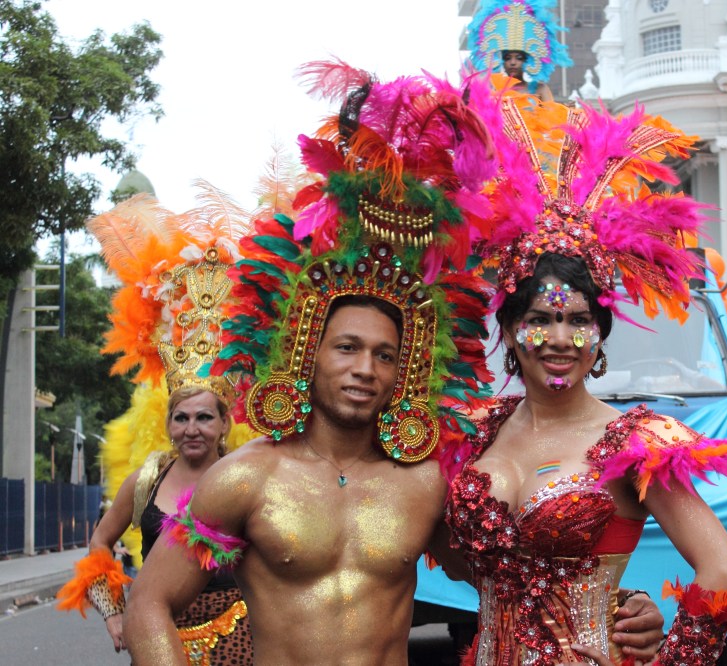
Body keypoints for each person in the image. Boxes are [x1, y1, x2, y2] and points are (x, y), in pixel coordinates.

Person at [122, 62, 664, 666]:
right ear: (305, 354)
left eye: (385, 355)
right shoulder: (244, 480)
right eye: (346, 348)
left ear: (405, 372)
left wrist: (622, 603)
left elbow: (519, 579)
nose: (365, 369)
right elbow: (150, 603)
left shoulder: (425, 484)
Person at [440, 83, 727, 665]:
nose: (560, 339)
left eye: (579, 321)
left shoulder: (635, 442)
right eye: (540, 320)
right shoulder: (477, 432)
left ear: (599, 334)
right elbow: (464, 561)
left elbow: (726, 572)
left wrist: (669, 659)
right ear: (509, 331)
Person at [56, 192, 256, 664]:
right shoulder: (146, 480)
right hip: (156, 640)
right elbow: (101, 542)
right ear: (168, 424)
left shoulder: (247, 477)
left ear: (224, 424)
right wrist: (113, 613)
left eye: (204, 417)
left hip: (239, 640)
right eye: (181, 418)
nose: (192, 428)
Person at [468, 0, 571, 102]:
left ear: (526, 61)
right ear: (502, 62)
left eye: (519, 58)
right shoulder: (495, 93)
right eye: (507, 58)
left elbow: (552, 112)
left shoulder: (540, 89)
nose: (512, 62)